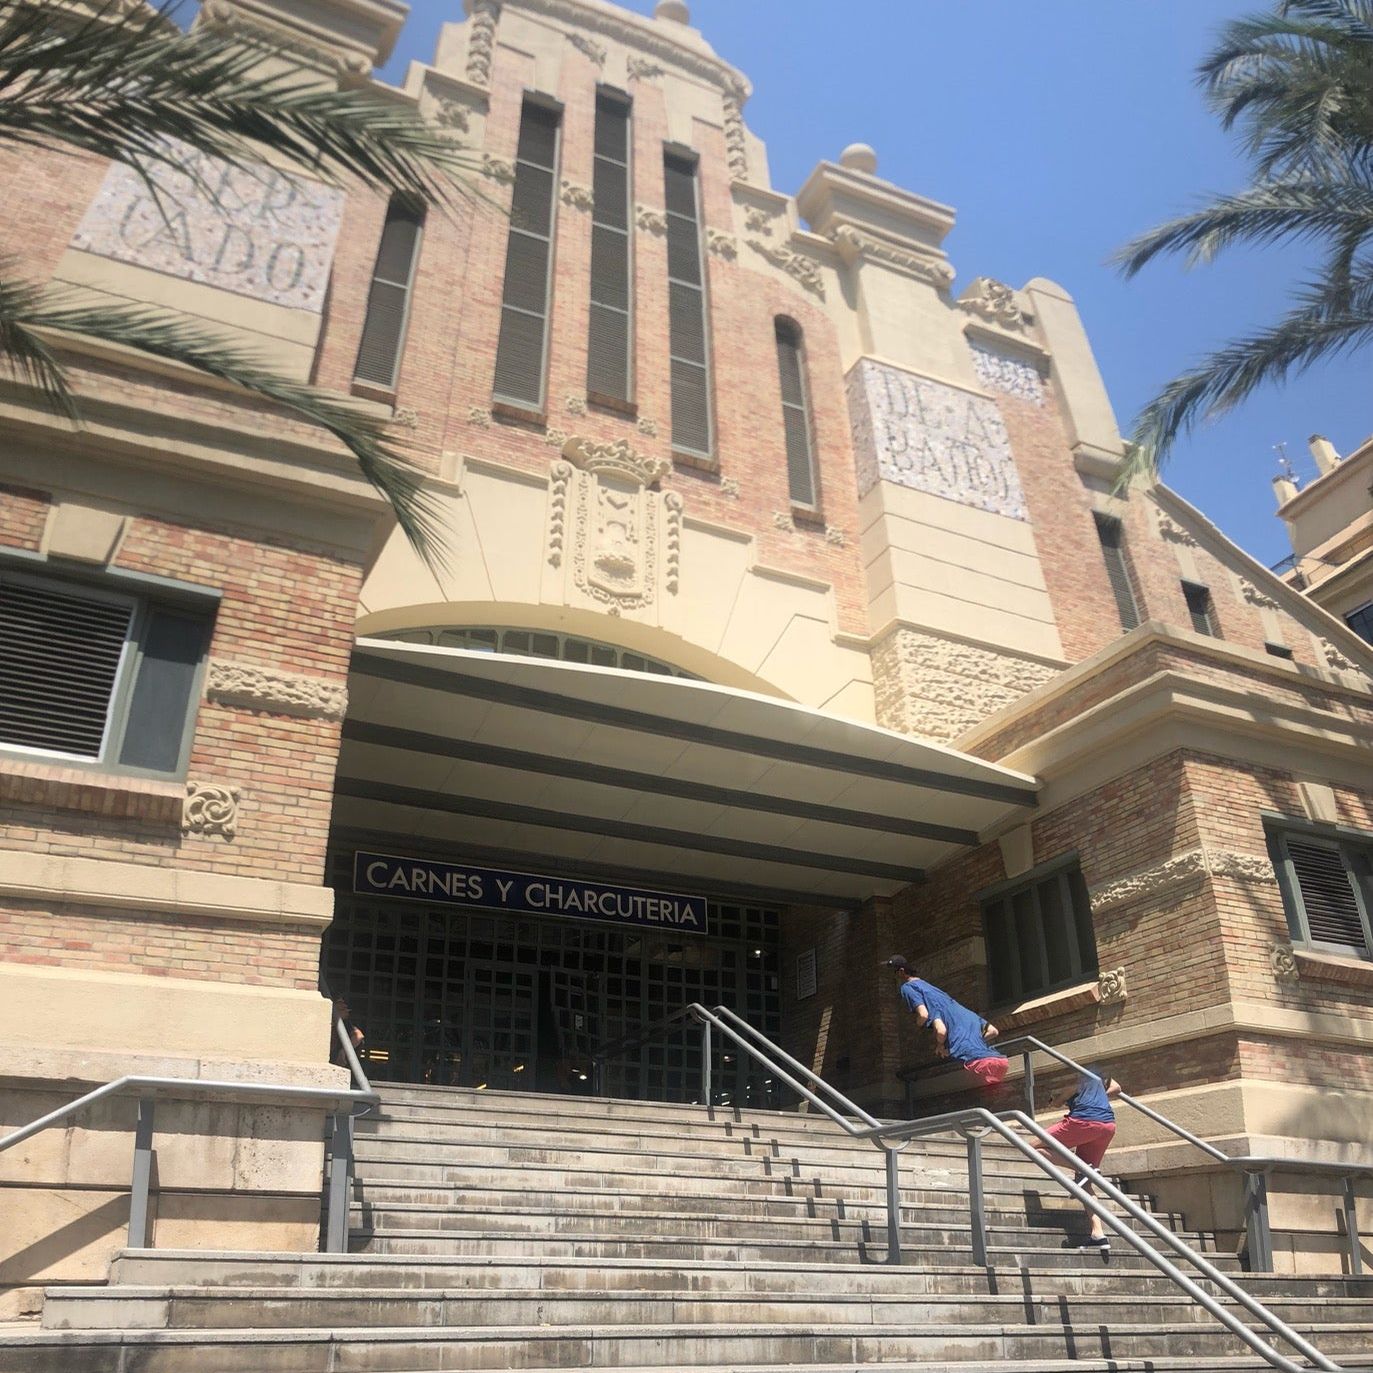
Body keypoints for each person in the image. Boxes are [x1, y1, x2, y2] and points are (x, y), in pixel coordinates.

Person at [883, 956, 1007, 1090]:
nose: (893, 977)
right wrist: (970, 1040)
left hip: (979, 1064)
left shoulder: (908, 988)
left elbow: (928, 1019)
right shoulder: (955, 1006)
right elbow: (993, 1031)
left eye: (893, 973)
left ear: (901, 971)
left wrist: (940, 1045)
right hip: (1000, 1061)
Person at [1035, 1064, 1122, 1252]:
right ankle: (1098, 1234)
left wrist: (1055, 1099)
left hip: (1083, 1121)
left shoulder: (1077, 1078)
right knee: (1085, 1183)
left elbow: (1059, 1101)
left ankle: (1083, 1167)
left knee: (1030, 1146)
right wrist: (1097, 1097)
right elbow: (1117, 1087)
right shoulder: (1099, 1077)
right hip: (1107, 1125)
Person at [330, 997, 365, 1068]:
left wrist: (343, 1051)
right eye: (340, 1002)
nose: (345, 1006)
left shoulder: (346, 1024)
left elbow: (358, 1036)